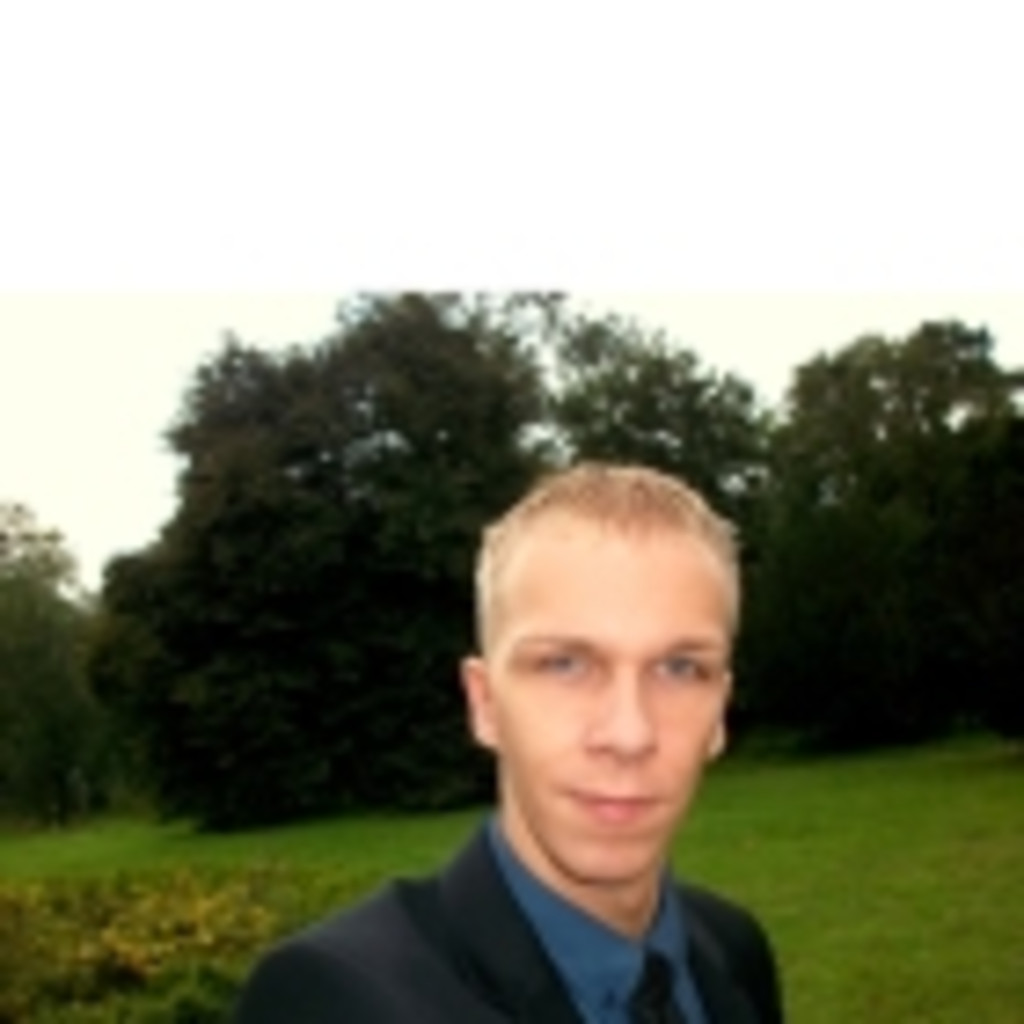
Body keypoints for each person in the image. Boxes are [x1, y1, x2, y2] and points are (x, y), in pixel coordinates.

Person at [234, 462, 784, 1023]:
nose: (629, 734)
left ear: (720, 710)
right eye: (565, 664)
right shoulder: (331, 998)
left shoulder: (731, 948)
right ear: (485, 703)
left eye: (680, 668)